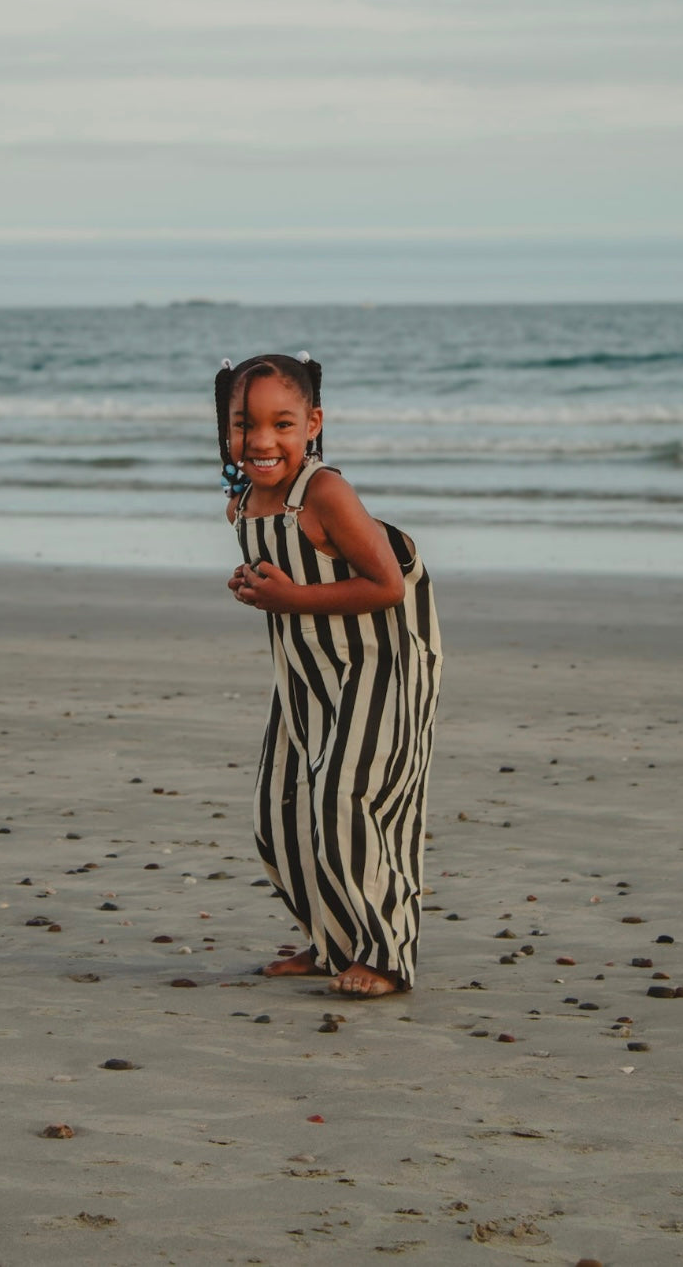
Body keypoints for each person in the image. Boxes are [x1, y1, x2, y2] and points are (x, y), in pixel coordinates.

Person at [215, 352, 442, 997]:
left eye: (281, 424)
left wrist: (289, 600)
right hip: (308, 672)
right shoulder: (246, 503)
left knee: (349, 803)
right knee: (280, 814)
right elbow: (285, 575)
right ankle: (331, 941)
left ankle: (386, 954)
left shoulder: (325, 493)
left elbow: (387, 585)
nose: (261, 440)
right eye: (244, 424)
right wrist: (254, 584)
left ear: (313, 423)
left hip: (380, 667)